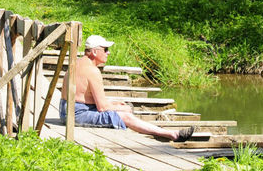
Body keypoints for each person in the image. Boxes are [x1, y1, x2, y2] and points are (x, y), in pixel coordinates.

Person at [59, 34, 194, 142]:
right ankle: (172, 134)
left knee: (122, 109)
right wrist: (121, 108)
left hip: (68, 108)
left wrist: (115, 104)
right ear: (94, 51)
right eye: (105, 49)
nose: (108, 53)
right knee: (125, 115)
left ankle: (168, 133)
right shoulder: (93, 71)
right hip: (74, 114)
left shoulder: (78, 63)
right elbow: (102, 108)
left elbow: (87, 98)